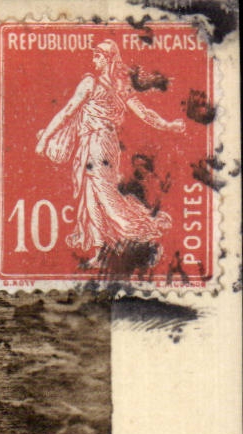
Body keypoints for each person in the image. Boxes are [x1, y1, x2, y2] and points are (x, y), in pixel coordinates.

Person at [35, 39, 187, 267]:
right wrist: (168, 125)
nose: (93, 60)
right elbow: (144, 113)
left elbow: (67, 112)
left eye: (97, 56)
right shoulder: (117, 86)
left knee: (105, 196)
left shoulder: (93, 83)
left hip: (98, 144)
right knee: (91, 196)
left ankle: (140, 232)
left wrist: (45, 139)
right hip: (100, 144)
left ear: (107, 59)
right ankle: (101, 253)